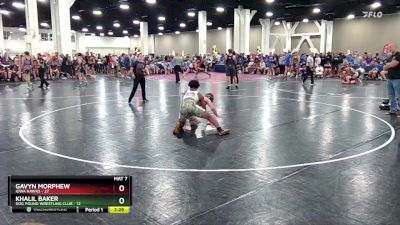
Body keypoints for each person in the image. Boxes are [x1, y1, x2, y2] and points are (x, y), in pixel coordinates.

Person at [381, 43, 400, 115]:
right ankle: (393, 110)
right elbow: (384, 67)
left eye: (391, 47)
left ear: (395, 47)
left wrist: (388, 65)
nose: (389, 48)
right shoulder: (390, 57)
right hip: (390, 78)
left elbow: (393, 64)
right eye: (389, 47)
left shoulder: (398, 55)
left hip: (397, 78)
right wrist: (388, 65)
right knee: (391, 96)